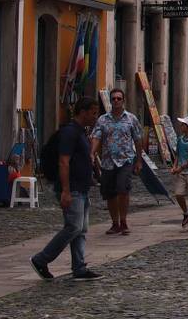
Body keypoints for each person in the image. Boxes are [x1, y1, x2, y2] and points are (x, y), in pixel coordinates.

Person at [31, 97, 102, 281]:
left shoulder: (80, 133)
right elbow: (64, 162)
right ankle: (41, 259)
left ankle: (79, 267)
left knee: (81, 229)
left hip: (82, 188)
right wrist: (66, 190)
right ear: (83, 112)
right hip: (73, 189)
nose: (95, 116)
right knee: (73, 227)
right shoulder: (70, 133)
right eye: (93, 112)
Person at [90, 87, 144, 236]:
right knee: (110, 193)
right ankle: (115, 223)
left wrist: (139, 160)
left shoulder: (131, 119)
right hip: (108, 161)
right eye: (113, 98)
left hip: (125, 160)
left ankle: (124, 221)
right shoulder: (103, 119)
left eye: (119, 98)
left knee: (123, 189)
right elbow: (96, 137)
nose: (116, 101)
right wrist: (92, 152)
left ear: (123, 100)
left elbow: (138, 139)